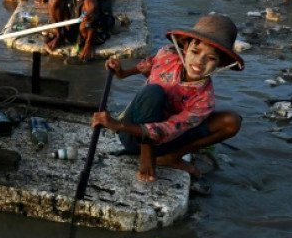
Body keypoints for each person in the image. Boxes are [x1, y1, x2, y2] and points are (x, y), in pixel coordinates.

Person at [91, 14, 245, 183]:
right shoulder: (167, 55)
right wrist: (121, 72)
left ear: (221, 63)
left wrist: (117, 124)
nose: (199, 61)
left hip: (166, 139)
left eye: (211, 58)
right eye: (195, 51)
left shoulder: (204, 99)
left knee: (232, 121)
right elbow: (148, 65)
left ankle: (172, 157)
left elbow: (169, 129)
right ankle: (145, 153)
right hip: (133, 135)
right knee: (153, 92)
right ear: (185, 48)